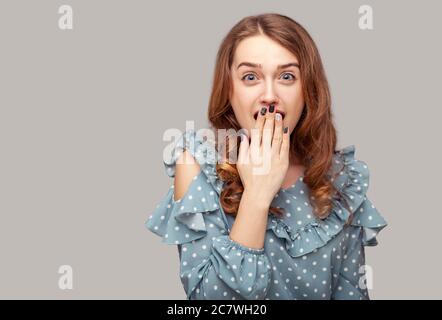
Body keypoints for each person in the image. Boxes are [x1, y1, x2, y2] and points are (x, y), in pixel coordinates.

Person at [145, 13, 387, 300]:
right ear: (230, 91)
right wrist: (257, 195)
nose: (269, 95)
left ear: (307, 90)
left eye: (287, 76)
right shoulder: (197, 164)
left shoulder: (341, 178)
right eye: (250, 77)